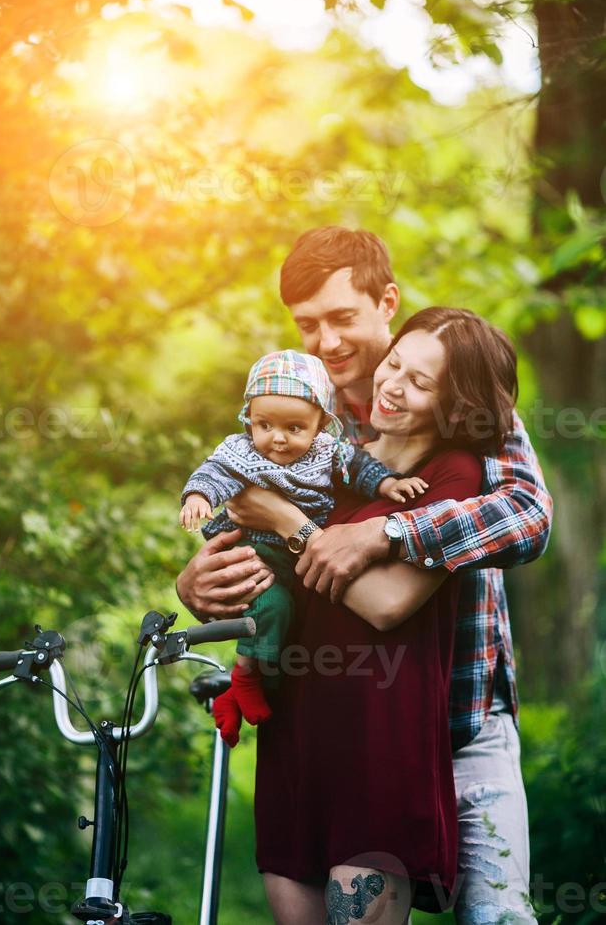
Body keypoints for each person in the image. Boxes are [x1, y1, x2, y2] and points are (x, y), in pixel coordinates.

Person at [176, 227, 553, 924]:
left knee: (496, 916)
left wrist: (384, 530)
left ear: (386, 301)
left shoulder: (458, 403)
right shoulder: (298, 414)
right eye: (308, 324)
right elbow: (244, 515)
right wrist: (195, 581)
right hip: (325, 726)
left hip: (458, 720)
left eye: (342, 318)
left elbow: (528, 516)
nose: (326, 342)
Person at [231, 305, 516, 922]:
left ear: (455, 405)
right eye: (394, 364)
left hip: (379, 752)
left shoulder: (453, 475)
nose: (391, 384)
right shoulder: (327, 455)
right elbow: (251, 556)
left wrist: (285, 519)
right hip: (296, 740)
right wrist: (196, 577)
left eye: (420, 382)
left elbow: (388, 604)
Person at [179, 348, 426, 744]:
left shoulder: (327, 453)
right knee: (273, 606)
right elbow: (213, 474)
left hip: (294, 552)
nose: (277, 438)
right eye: (264, 424)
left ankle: (249, 691)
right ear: (249, 419)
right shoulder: (242, 452)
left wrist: (388, 484)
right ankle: (243, 680)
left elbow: (359, 469)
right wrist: (198, 497)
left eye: (294, 428)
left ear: (319, 425)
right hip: (253, 553)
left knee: (296, 620)